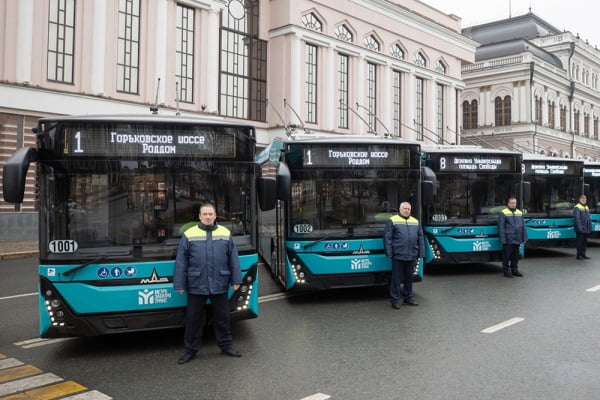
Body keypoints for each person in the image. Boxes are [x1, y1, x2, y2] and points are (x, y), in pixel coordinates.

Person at [174, 203, 243, 364]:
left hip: (219, 282)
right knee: (193, 320)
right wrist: (179, 284)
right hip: (196, 284)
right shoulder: (189, 234)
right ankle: (190, 350)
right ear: (199, 216)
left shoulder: (225, 233)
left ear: (215, 215)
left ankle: (226, 346)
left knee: (223, 318)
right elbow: (181, 261)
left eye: (210, 214)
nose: (207, 217)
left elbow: (233, 259)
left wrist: (236, 280)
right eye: (204, 214)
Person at [384, 202, 424, 309]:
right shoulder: (392, 220)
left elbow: (421, 238)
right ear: (400, 209)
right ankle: (395, 300)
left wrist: (421, 253)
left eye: (408, 209)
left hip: (412, 255)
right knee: (396, 279)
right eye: (405, 208)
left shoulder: (415, 222)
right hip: (398, 255)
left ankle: (408, 298)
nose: (407, 210)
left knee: (409, 279)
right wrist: (389, 252)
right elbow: (387, 238)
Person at [498, 197, 527, 278]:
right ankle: (506, 271)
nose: (513, 204)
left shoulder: (519, 212)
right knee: (506, 256)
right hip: (508, 239)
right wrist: (503, 239)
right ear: (508, 204)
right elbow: (501, 227)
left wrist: (524, 238)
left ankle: (515, 270)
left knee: (515, 256)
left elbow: (523, 226)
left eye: (514, 203)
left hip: (517, 238)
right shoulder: (503, 212)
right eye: (512, 203)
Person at [573, 195, 592, 260]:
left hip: (586, 228)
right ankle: (579, 255)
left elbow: (589, 218)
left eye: (585, 200)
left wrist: (589, 227)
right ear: (580, 200)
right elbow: (577, 219)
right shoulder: (577, 207)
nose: (584, 201)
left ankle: (583, 255)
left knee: (584, 243)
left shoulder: (586, 207)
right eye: (582, 200)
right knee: (579, 243)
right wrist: (580, 228)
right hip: (580, 229)